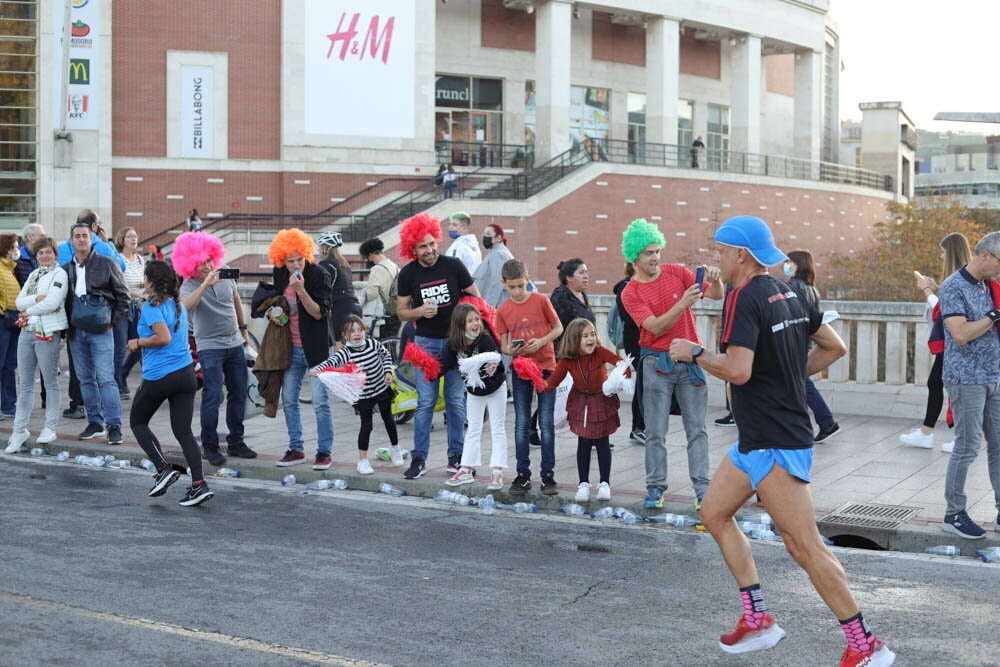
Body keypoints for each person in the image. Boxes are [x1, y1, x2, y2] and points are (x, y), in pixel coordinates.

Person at [669, 215, 894, 667]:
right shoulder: (795, 291)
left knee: (804, 546)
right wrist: (789, 377)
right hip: (755, 439)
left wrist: (692, 352)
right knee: (713, 513)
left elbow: (738, 370)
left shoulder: (743, 297)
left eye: (720, 250)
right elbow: (835, 348)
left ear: (741, 255)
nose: (716, 258)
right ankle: (757, 620)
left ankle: (865, 644)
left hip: (776, 439)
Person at [620, 218, 721, 510]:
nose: (655, 257)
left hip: (689, 360)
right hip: (655, 362)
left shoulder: (677, 272)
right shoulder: (630, 292)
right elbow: (654, 327)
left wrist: (717, 279)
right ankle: (655, 488)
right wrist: (682, 304)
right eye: (649, 253)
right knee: (655, 431)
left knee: (697, 429)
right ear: (635, 256)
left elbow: (716, 295)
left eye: (657, 250)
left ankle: (703, 491)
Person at [396, 212, 480, 479]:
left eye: (432, 244)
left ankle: (456, 457)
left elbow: (475, 298)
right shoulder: (408, 274)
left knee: (456, 402)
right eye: (423, 246)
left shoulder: (453, 265)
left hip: (456, 344)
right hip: (426, 345)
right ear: (413, 248)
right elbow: (401, 312)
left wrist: (466, 325)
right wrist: (419, 311)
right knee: (425, 403)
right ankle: (419, 459)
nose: (430, 250)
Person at [127, 260, 214, 507]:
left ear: (151, 282)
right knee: (183, 431)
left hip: (160, 376)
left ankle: (163, 469)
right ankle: (199, 485)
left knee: (138, 422)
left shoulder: (150, 308)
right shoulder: (177, 305)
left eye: (145, 278)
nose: (143, 282)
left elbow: (163, 338)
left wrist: (138, 342)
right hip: (186, 374)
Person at [254, 228, 334, 470]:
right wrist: (271, 313)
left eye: (300, 259)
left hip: (317, 349)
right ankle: (296, 448)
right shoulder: (280, 273)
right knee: (288, 399)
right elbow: (277, 300)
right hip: (291, 348)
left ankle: (324, 452)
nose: (296, 264)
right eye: (290, 261)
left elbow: (320, 313)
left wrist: (301, 290)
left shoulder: (319, 275)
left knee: (320, 402)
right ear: (281, 260)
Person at [938, 231, 1000, 539]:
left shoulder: (990, 285)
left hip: (994, 377)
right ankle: (954, 512)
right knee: (967, 446)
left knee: (999, 446)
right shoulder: (953, 286)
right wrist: (992, 315)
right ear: (985, 255)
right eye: (999, 263)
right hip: (966, 378)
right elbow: (960, 333)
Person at [176, 231, 257, 466]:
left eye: (210, 260)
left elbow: (235, 300)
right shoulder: (188, 285)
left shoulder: (226, 272)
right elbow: (184, 307)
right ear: (190, 264)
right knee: (212, 395)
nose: (208, 265)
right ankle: (209, 445)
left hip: (234, 343)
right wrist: (205, 284)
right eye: (201, 263)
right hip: (209, 346)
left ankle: (236, 441)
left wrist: (244, 332)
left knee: (238, 392)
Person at [496, 258, 564, 496]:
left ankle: (548, 475)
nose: (516, 291)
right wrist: (510, 351)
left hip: (546, 367)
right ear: (504, 283)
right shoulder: (503, 310)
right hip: (520, 369)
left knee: (546, 422)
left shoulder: (541, 300)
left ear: (527, 280)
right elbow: (503, 344)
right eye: (511, 287)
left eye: (520, 286)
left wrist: (542, 341)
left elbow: (558, 328)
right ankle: (522, 474)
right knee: (521, 422)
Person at [544, 318, 630, 502]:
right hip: (581, 403)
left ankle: (604, 483)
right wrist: (540, 385)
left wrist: (622, 382)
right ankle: (583, 484)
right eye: (585, 336)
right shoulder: (568, 359)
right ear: (574, 340)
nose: (591, 339)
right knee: (583, 443)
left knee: (602, 442)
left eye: (592, 334)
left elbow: (622, 363)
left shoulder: (600, 352)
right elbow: (554, 381)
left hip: (602, 400)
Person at [900, 232, 971, 452]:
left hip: (956, 341)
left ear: (950, 253)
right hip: (956, 341)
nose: (941, 257)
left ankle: (949, 437)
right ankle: (927, 432)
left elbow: (943, 311)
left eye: (942, 252)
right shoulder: (965, 277)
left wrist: (928, 290)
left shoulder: (960, 277)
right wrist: (935, 288)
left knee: (952, 387)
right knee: (939, 384)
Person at [63, 221, 130, 445]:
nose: (82, 239)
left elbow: (124, 297)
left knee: (106, 379)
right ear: (71, 241)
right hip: (76, 332)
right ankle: (94, 423)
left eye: (85, 235)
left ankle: (114, 427)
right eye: (77, 236)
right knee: (85, 380)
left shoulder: (107, 263)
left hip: (101, 331)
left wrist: (112, 322)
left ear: (92, 239)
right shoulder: (65, 269)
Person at [310, 314, 400, 473]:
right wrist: (319, 369)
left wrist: (387, 372)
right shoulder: (346, 352)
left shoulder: (372, 343)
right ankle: (362, 461)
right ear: (345, 335)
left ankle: (395, 449)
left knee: (389, 420)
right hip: (364, 395)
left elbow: (385, 355)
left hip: (380, 388)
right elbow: (332, 361)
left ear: (365, 331)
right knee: (367, 426)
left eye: (360, 330)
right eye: (352, 331)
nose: (357, 334)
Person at [5, 236, 67, 453]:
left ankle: (50, 427)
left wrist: (29, 309)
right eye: (41, 252)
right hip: (27, 332)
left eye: (48, 252)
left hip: (47, 333)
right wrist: (36, 300)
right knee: (25, 385)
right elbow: (18, 301)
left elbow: (52, 302)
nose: (44, 256)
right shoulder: (33, 274)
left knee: (50, 382)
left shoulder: (60, 274)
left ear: (55, 254)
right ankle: (19, 429)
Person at [441, 303, 507, 491]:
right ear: (460, 324)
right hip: (473, 391)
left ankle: (497, 472)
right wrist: (426, 369)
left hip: (496, 388)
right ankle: (466, 469)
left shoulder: (485, 340)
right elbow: (443, 365)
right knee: (473, 428)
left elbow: (498, 362)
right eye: (469, 320)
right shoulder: (453, 344)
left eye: (476, 319)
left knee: (497, 428)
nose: (475, 323)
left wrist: (493, 367)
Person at [784, 250, 840, 443]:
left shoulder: (792, 286)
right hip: (805, 340)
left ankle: (826, 422)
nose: (787, 265)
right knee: (799, 382)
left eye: (790, 262)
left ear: (798, 264)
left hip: (793, 341)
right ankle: (823, 423)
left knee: (801, 383)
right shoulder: (810, 288)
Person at [613, 263, 645, 444]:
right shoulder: (625, 289)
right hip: (635, 340)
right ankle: (637, 427)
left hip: (644, 340)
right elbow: (633, 317)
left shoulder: (641, 286)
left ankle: (641, 426)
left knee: (645, 381)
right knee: (643, 381)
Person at [113, 226, 145, 399]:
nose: (134, 239)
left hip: (138, 306)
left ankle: (122, 375)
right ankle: (116, 384)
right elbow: (121, 285)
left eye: (135, 236)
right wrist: (139, 292)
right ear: (122, 240)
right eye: (129, 236)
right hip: (123, 306)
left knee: (139, 345)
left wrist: (144, 286)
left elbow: (144, 281)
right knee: (119, 348)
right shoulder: (118, 260)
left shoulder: (140, 259)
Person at [316, 231, 363, 347]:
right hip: (355, 306)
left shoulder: (326, 264)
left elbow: (324, 289)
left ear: (325, 248)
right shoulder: (344, 264)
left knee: (338, 345)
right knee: (355, 347)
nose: (318, 251)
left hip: (341, 308)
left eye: (319, 247)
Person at [358, 237, 401, 338]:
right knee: (393, 343)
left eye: (367, 257)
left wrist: (363, 292)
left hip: (385, 313)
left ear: (371, 254)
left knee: (383, 344)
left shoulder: (377, 269)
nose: (368, 260)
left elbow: (372, 294)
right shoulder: (393, 265)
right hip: (396, 310)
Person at [0, 233, 22, 420]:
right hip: (2, 320)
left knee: (10, 365)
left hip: (12, 320)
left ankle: (8, 404)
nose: (17, 250)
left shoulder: (10, 269)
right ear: (5, 248)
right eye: (14, 247)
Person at [473, 224, 514, 309]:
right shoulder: (494, 253)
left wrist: (488, 308)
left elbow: (497, 283)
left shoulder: (499, 254)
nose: (484, 236)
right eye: (484, 234)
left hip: (496, 307)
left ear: (498, 238)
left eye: (488, 234)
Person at [444, 211, 482, 276]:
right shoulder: (475, 245)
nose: (450, 227)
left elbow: (451, 269)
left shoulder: (458, 246)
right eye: (450, 224)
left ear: (464, 228)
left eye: (454, 225)